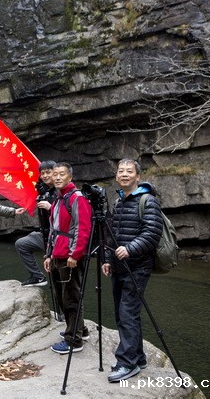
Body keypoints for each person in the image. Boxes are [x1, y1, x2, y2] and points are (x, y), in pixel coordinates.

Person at [102, 159, 163, 383]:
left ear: (138, 176)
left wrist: (129, 249)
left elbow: (152, 233)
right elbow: (111, 234)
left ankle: (127, 363)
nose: (125, 174)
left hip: (137, 267)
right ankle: (138, 357)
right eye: (121, 171)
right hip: (119, 266)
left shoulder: (148, 201)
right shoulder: (118, 201)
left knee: (127, 313)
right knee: (123, 314)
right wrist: (107, 259)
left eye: (129, 171)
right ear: (116, 176)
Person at [43, 162, 92, 354]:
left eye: (61, 174)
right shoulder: (59, 199)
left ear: (70, 177)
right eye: (55, 174)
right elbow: (53, 230)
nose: (57, 177)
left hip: (69, 256)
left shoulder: (77, 198)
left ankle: (74, 340)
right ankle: (81, 329)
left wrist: (75, 254)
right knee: (62, 296)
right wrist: (48, 254)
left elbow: (83, 228)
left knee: (71, 297)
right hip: (58, 253)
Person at [15, 160, 57, 287]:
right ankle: (38, 277)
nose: (45, 176)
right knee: (22, 244)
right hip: (46, 235)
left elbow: (70, 216)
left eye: (48, 172)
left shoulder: (63, 191)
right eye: (42, 173)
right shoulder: (45, 191)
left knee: (59, 279)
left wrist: (51, 207)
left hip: (60, 239)